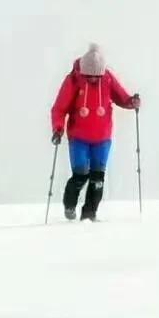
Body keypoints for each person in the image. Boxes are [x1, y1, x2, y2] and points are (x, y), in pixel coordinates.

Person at [50, 43, 140, 221]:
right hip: (79, 137)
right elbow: (59, 108)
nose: (93, 79)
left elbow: (122, 97)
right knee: (81, 173)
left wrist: (132, 102)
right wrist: (58, 129)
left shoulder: (107, 78)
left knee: (98, 178)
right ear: (83, 72)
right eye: (89, 76)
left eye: (96, 76)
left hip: (102, 137)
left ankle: (89, 215)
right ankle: (69, 204)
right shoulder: (73, 80)